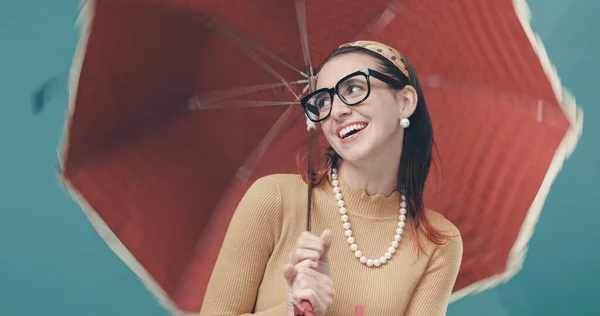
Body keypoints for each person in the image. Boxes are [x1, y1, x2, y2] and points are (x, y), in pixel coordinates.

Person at [199, 40, 463, 316]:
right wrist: (290, 312)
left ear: (404, 102)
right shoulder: (274, 199)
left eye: (354, 88)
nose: (336, 112)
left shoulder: (438, 243)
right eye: (323, 101)